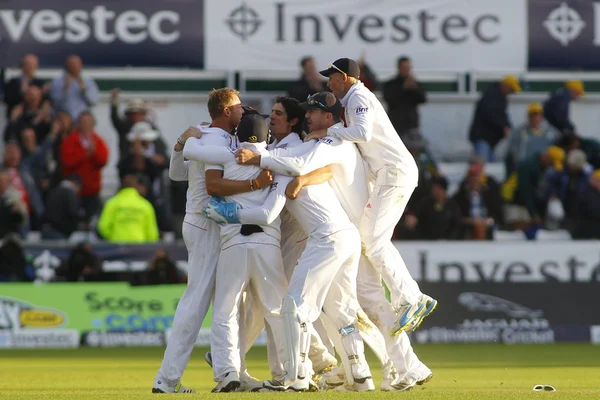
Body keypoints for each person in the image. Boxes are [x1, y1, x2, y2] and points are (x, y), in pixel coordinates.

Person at [235, 91, 433, 391]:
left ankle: (305, 376)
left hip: (348, 234)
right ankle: (380, 370)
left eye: (313, 112)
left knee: (351, 306)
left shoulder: (332, 141)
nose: (308, 117)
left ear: (330, 117)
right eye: (307, 112)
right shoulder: (329, 143)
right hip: (351, 235)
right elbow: (315, 169)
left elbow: (302, 165)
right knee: (349, 308)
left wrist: (261, 158)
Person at [207, 95, 376, 392]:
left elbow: (295, 167)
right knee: (340, 310)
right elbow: (303, 166)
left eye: (278, 114)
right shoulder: (298, 146)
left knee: (293, 307)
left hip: (327, 237)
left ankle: (295, 378)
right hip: (342, 235)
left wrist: (236, 204)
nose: (272, 118)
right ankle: (360, 376)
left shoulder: (295, 149)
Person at [152, 88, 272, 394]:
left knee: (230, 301)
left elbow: (177, 173)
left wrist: (183, 143)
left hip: (214, 225)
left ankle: (230, 372)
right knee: (198, 300)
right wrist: (185, 144)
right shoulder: (211, 138)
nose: (243, 111)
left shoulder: (209, 135)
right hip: (205, 224)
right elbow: (196, 174)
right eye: (238, 106)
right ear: (225, 110)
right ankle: (167, 379)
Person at [305, 58, 436, 335]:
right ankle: (410, 297)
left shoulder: (358, 97)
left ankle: (411, 298)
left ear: (345, 77)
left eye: (332, 77)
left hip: (394, 173)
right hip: (388, 174)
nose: (329, 83)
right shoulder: (355, 98)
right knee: (371, 240)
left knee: (373, 242)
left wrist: (325, 131)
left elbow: (362, 133)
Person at [184, 113, 290, 392]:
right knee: (276, 312)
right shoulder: (275, 161)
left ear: (238, 134)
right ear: (267, 136)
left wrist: (189, 136)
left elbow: (206, 175)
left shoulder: (226, 155)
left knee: (225, 312)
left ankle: (227, 372)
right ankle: (289, 373)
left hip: (233, 244)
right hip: (268, 245)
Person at [60, 111, 109, 222]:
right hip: (74, 191)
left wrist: (94, 153)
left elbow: (103, 161)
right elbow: (67, 162)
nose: (86, 125)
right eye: (83, 122)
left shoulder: (98, 141)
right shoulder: (70, 141)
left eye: (88, 122)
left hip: (92, 190)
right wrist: (85, 154)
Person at [468, 76, 521, 161]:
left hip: (489, 140)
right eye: (511, 90)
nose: (511, 93)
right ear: (505, 86)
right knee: (483, 164)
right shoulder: (491, 95)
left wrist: (508, 126)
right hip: (483, 138)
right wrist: (504, 127)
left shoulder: (501, 97)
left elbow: (503, 115)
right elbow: (491, 114)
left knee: (490, 165)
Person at [97, 175, 160, 243]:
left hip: (118, 247)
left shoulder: (112, 203)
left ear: (121, 186)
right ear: (136, 187)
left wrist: (113, 238)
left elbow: (103, 227)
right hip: (139, 247)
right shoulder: (145, 205)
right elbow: (152, 234)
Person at [505, 103, 558, 176]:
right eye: (533, 115)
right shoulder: (519, 132)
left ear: (542, 116)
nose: (536, 118)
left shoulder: (551, 132)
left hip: (544, 168)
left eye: (538, 115)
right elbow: (514, 151)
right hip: (525, 169)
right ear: (528, 117)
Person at [383, 56, 427, 141]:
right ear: (399, 68)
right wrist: (403, 88)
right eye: (404, 67)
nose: (406, 70)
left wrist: (414, 89)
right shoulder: (390, 84)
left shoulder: (415, 84)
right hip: (396, 125)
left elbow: (423, 99)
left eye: (408, 68)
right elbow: (389, 99)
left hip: (412, 125)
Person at [49, 55, 99, 120]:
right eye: (71, 64)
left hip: (81, 121)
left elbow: (93, 102)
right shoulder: (57, 82)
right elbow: (54, 103)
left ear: (81, 65)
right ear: (66, 66)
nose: (74, 66)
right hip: (64, 121)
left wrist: (83, 90)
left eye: (76, 64)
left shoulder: (88, 82)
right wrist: (65, 88)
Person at [3, 53, 48, 119]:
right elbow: (7, 99)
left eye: (33, 65)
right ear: (22, 65)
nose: (31, 67)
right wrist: (22, 92)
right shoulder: (12, 82)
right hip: (16, 118)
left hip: (34, 119)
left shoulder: (40, 84)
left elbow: (45, 101)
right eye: (28, 64)